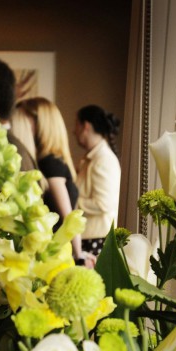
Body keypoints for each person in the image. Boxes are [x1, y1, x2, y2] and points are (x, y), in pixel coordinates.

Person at [15, 96, 85, 263]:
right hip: (54, 252)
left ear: (40, 124)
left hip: (54, 253)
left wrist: (79, 255)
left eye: (24, 122)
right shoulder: (53, 161)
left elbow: (68, 217)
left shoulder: (50, 163)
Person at [74, 104, 122, 255]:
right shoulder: (92, 159)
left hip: (94, 241)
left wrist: (72, 202)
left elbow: (103, 203)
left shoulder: (103, 160)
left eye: (76, 125)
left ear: (85, 126)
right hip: (89, 238)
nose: (73, 131)